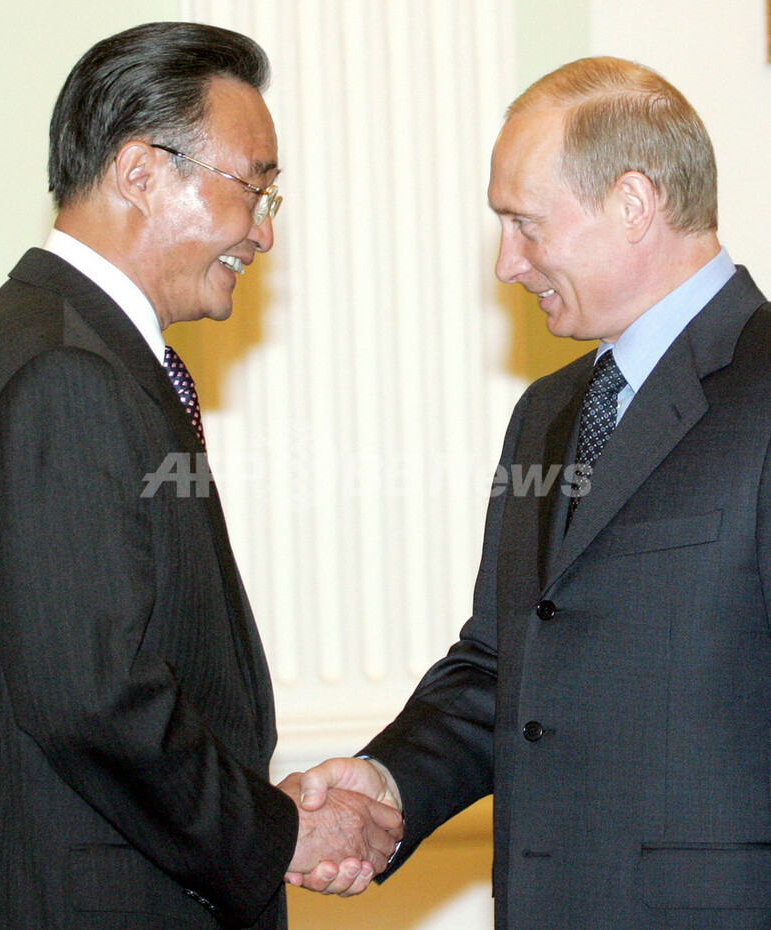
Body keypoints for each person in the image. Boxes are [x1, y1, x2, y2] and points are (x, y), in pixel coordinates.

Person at [292, 56, 771, 928]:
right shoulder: (548, 413)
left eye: (525, 224)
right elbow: (504, 663)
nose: (508, 263)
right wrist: (389, 779)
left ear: (634, 204)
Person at [0, 22, 401, 930]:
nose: (263, 232)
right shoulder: (64, 375)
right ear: (139, 172)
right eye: (254, 189)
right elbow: (93, 699)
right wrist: (276, 834)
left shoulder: (43, 341)